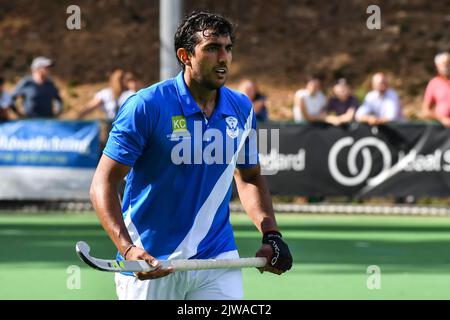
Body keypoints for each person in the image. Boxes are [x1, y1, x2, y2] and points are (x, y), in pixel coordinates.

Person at [89, 10, 292, 300]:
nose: (223, 58)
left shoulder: (241, 108)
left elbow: (249, 176)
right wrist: (127, 248)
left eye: (228, 48)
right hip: (152, 261)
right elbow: (102, 185)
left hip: (217, 257)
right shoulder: (146, 106)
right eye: (212, 48)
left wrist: (271, 233)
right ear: (185, 56)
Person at [422, 52, 450, 127]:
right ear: (437, 66)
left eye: (448, 63)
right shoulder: (434, 83)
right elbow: (425, 111)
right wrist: (442, 119)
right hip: (442, 131)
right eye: (444, 64)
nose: (446, 66)